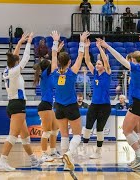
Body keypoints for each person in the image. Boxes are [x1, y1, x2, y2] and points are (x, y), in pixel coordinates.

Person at [97, 35, 140, 170]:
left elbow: (120, 58)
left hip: (138, 103)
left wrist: (107, 47)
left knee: (126, 130)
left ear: (133, 60)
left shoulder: (136, 68)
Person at [0, 32, 43, 171]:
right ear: (15, 62)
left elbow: (15, 56)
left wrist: (20, 42)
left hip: (14, 104)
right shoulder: (15, 71)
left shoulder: (8, 69)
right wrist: (29, 42)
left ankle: (34, 160)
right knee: (13, 135)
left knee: (25, 136)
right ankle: (2, 160)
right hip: (17, 105)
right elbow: (26, 57)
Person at [50, 31, 90, 171]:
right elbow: (80, 56)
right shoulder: (72, 73)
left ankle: (66, 162)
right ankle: (68, 154)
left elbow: (54, 55)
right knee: (77, 135)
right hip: (71, 106)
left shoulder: (54, 71)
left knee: (64, 135)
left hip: (58, 107)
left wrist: (55, 41)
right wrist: (82, 41)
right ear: (69, 62)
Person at [33, 46, 64, 162]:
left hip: (49, 106)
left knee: (55, 129)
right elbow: (54, 63)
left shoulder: (49, 76)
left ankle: (52, 151)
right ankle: (44, 154)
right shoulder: (45, 75)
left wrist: (57, 51)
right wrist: (55, 49)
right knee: (46, 132)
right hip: (44, 106)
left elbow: (55, 64)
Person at [82, 38, 112, 159]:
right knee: (88, 126)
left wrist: (100, 48)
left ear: (103, 66)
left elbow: (105, 60)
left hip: (105, 106)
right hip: (94, 104)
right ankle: (84, 149)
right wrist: (86, 47)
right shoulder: (94, 72)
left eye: (99, 64)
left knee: (100, 129)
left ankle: (98, 151)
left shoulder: (107, 72)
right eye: (97, 63)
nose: (96, 64)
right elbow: (87, 60)